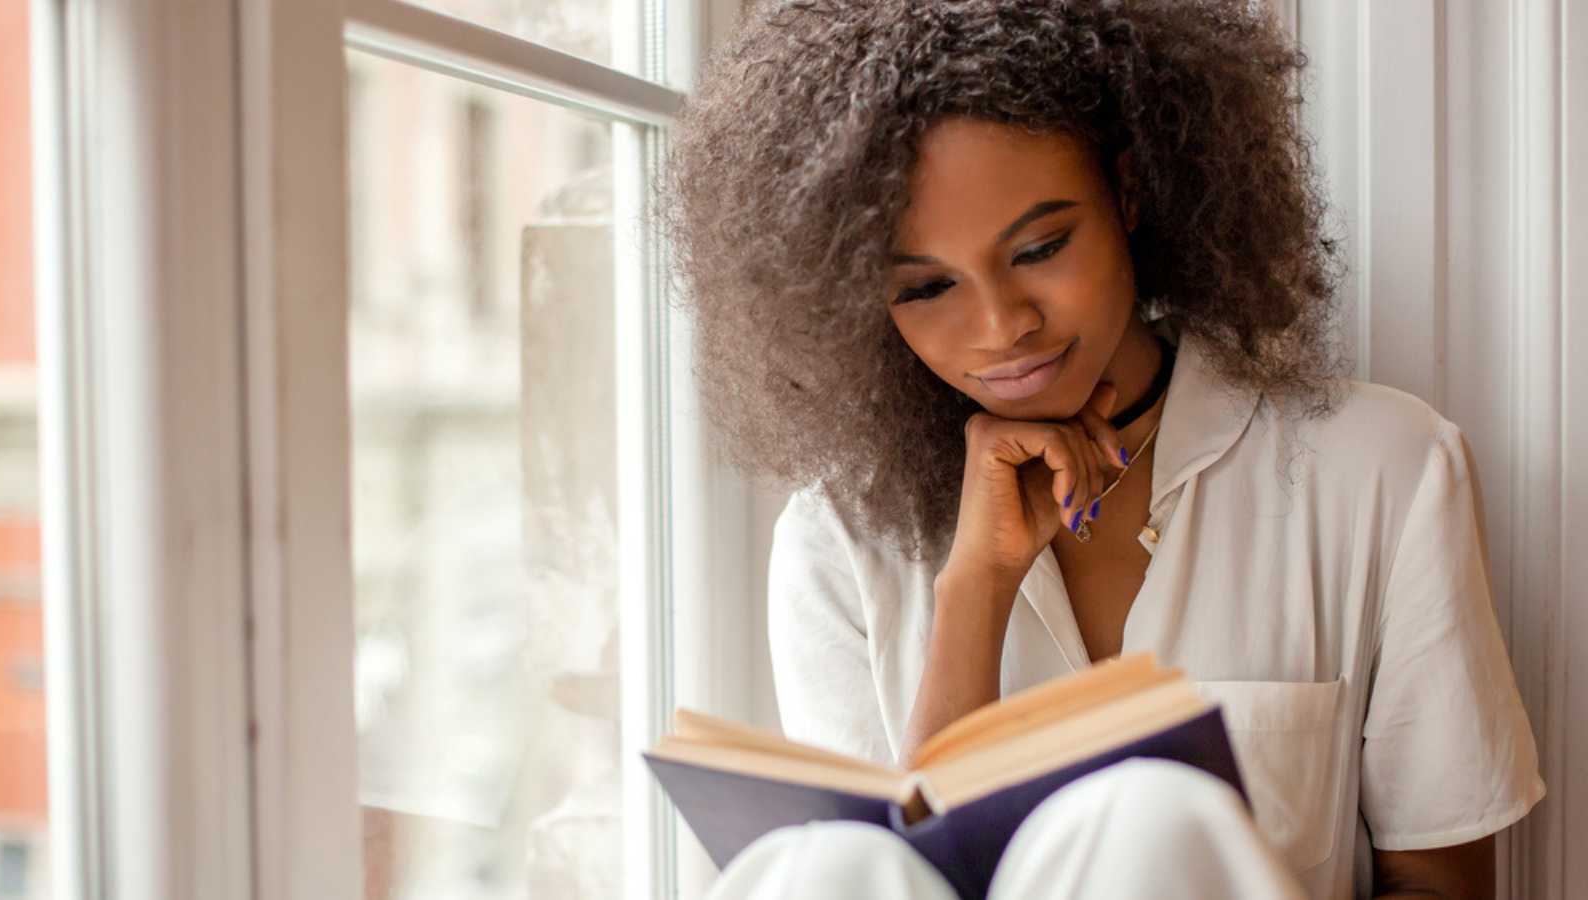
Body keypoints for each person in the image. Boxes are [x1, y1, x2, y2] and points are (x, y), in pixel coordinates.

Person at [653, 1, 1546, 897]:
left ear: (1127, 192)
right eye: (926, 287)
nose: (1003, 327)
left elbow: (1443, 883)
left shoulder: (1380, 469)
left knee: (1145, 820)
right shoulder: (838, 539)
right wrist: (977, 585)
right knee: (825, 865)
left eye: (1040, 247)